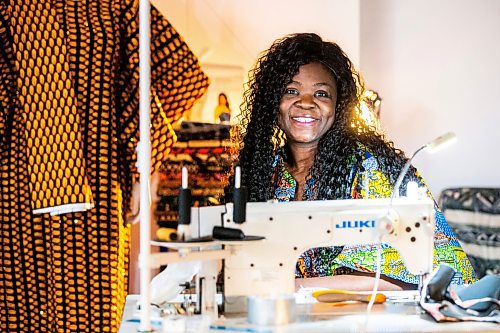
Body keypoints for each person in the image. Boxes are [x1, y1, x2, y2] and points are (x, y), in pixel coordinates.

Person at [0, 1, 209, 332]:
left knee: (84, 306)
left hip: (75, 180)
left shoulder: (121, 6)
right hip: (35, 183)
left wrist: (140, 151)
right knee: (26, 300)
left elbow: (183, 76)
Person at [226, 33, 475, 291]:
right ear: (272, 102)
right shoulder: (262, 174)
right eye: (291, 90)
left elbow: (403, 280)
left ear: (338, 105)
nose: (306, 103)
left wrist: (294, 286)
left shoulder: (371, 168)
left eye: (321, 93)